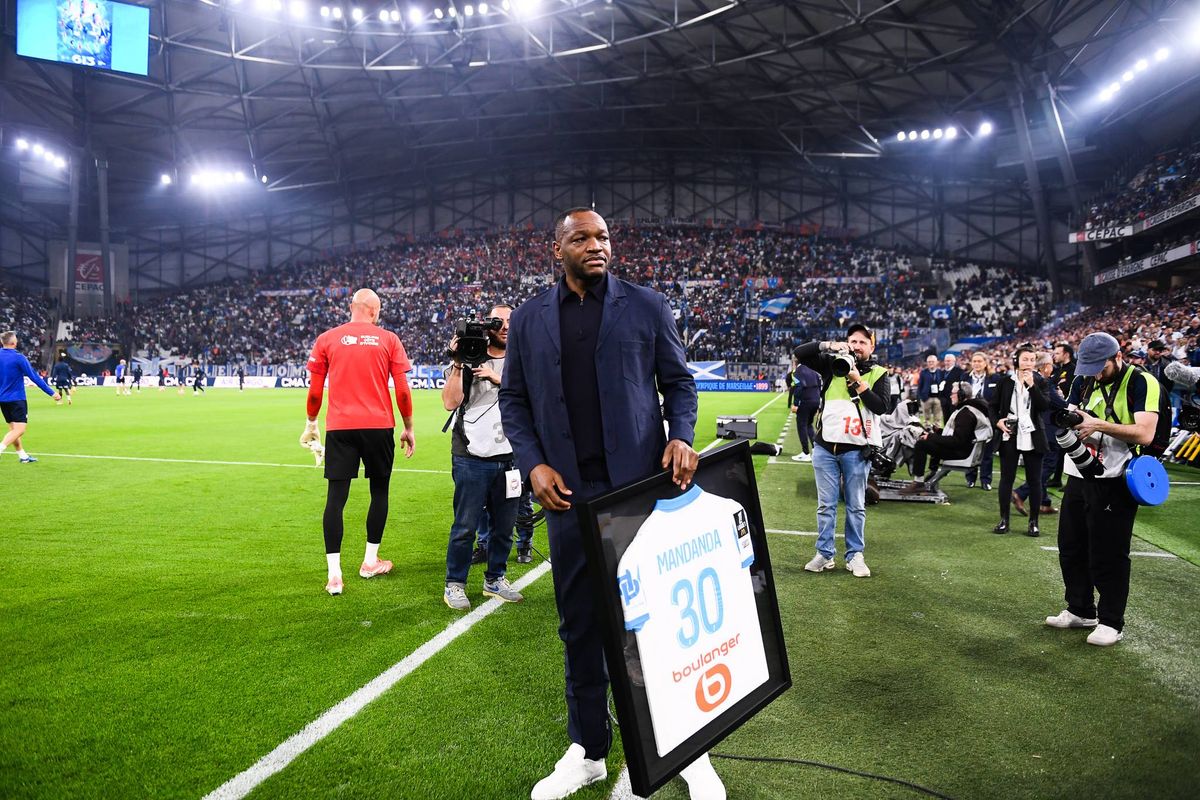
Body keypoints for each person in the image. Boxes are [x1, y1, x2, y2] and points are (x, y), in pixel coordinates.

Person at [499, 209, 722, 800]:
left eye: (602, 237)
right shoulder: (527, 320)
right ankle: (589, 750)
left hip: (639, 493)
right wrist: (533, 463)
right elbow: (515, 403)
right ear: (558, 249)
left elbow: (679, 383)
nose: (596, 246)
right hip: (567, 499)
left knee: (658, 622)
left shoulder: (646, 306)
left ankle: (685, 745)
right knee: (580, 626)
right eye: (582, 238)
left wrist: (681, 435)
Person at [1046, 332, 1160, 646]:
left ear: (1117, 356)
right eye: (1090, 367)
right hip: (1079, 472)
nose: (1096, 373)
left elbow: (1145, 433)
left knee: (1108, 553)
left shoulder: (1142, 381)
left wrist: (1097, 424)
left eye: (1101, 366)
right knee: (1071, 546)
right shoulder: (1081, 379)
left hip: (1117, 478)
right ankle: (1081, 609)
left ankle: (1111, 621)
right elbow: (1071, 416)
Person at [302, 288, 416, 596]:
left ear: (351, 307)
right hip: (379, 426)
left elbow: (315, 392)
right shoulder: (389, 339)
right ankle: (369, 562)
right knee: (379, 492)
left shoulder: (327, 339)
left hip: (340, 428)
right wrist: (408, 427)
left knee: (335, 498)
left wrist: (311, 422)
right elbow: (402, 391)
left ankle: (334, 576)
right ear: (375, 311)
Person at [440, 303, 524, 611]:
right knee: (465, 525)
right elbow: (450, 403)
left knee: (504, 526)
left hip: (510, 457)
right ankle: (455, 584)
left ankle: (495, 579)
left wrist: (498, 378)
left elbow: (535, 397)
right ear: (487, 326)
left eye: (510, 321)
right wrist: (459, 361)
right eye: (498, 321)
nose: (504, 326)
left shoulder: (521, 359)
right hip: (471, 456)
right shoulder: (471, 356)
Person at [793, 323, 890, 578]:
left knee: (856, 505)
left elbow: (881, 407)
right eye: (852, 341)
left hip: (857, 449)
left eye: (862, 342)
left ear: (872, 346)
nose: (857, 346)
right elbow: (800, 352)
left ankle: (855, 555)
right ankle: (825, 554)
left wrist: (858, 382)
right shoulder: (832, 364)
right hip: (825, 446)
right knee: (825, 505)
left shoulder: (879, 372)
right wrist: (830, 347)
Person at [989, 345, 1049, 537]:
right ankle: (1004, 520)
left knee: (1035, 480)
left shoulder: (1040, 381)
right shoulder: (1005, 382)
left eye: (1032, 360)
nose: (1029, 363)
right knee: (1007, 478)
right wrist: (997, 421)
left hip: (1033, 435)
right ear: (1017, 360)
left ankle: (1034, 522)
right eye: (1025, 359)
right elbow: (992, 406)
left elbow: (1043, 406)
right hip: (1010, 434)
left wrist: (1032, 386)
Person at [1012, 353, 1066, 518]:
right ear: (1044, 367)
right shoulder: (1042, 381)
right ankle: (1021, 493)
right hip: (1046, 429)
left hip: (1033, 427)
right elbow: (1059, 404)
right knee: (1048, 465)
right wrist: (1062, 398)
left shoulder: (1030, 378)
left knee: (1041, 465)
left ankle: (1044, 502)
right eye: (1050, 365)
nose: (1052, 368)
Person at [906, 381, 990, 483]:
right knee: (932, 438)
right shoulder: (969, 409)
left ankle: (918, 482)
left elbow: (956, 441)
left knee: (921, 444)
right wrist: (938, 432)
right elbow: (960, 436)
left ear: (961, 394)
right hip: (964, 449)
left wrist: (930, 437)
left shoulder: (966, 413)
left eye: (953, 393)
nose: (950, 396)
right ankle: (932, 473)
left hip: (961, 453)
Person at [0, 331, 61, 462]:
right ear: (13, 342)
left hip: (3, 400)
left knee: (13, 430)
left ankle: (23, 456)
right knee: (20, 430)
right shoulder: (18, 357)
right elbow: (34, 377)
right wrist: (52, 392)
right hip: (16, 399)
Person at [963, 352, 1002, 490]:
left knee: (987, 450)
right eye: (974, 361)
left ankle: (986, 480)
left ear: (985, 363)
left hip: (987, 419)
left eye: (980, 361)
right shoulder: (964, 378)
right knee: (970, 448)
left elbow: (998, 400)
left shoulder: (995, 378)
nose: (977, 364)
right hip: (969, 418)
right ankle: (970, 478)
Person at [789, 359, 821, 462]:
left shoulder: (797, 372)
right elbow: (820, 385)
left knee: (801, 425)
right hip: (815, 401)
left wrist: (796, 403)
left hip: (805, 401)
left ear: (795, 363)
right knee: (808, 424)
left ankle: (805, 453)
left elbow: (799, 386)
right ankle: (816, 449)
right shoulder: (814, 371)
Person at [917, 354, 943, 428]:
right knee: (926, 419)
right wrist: (922, 397)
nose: (931, 363)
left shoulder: (940, 372)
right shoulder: (923, 372)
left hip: (938, 398)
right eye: (929, 362)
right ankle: (927, 434)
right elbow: (920, 386)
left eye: (932, 361)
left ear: (936, 362)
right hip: (926, 398)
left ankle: (937, 434)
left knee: (938, 418)